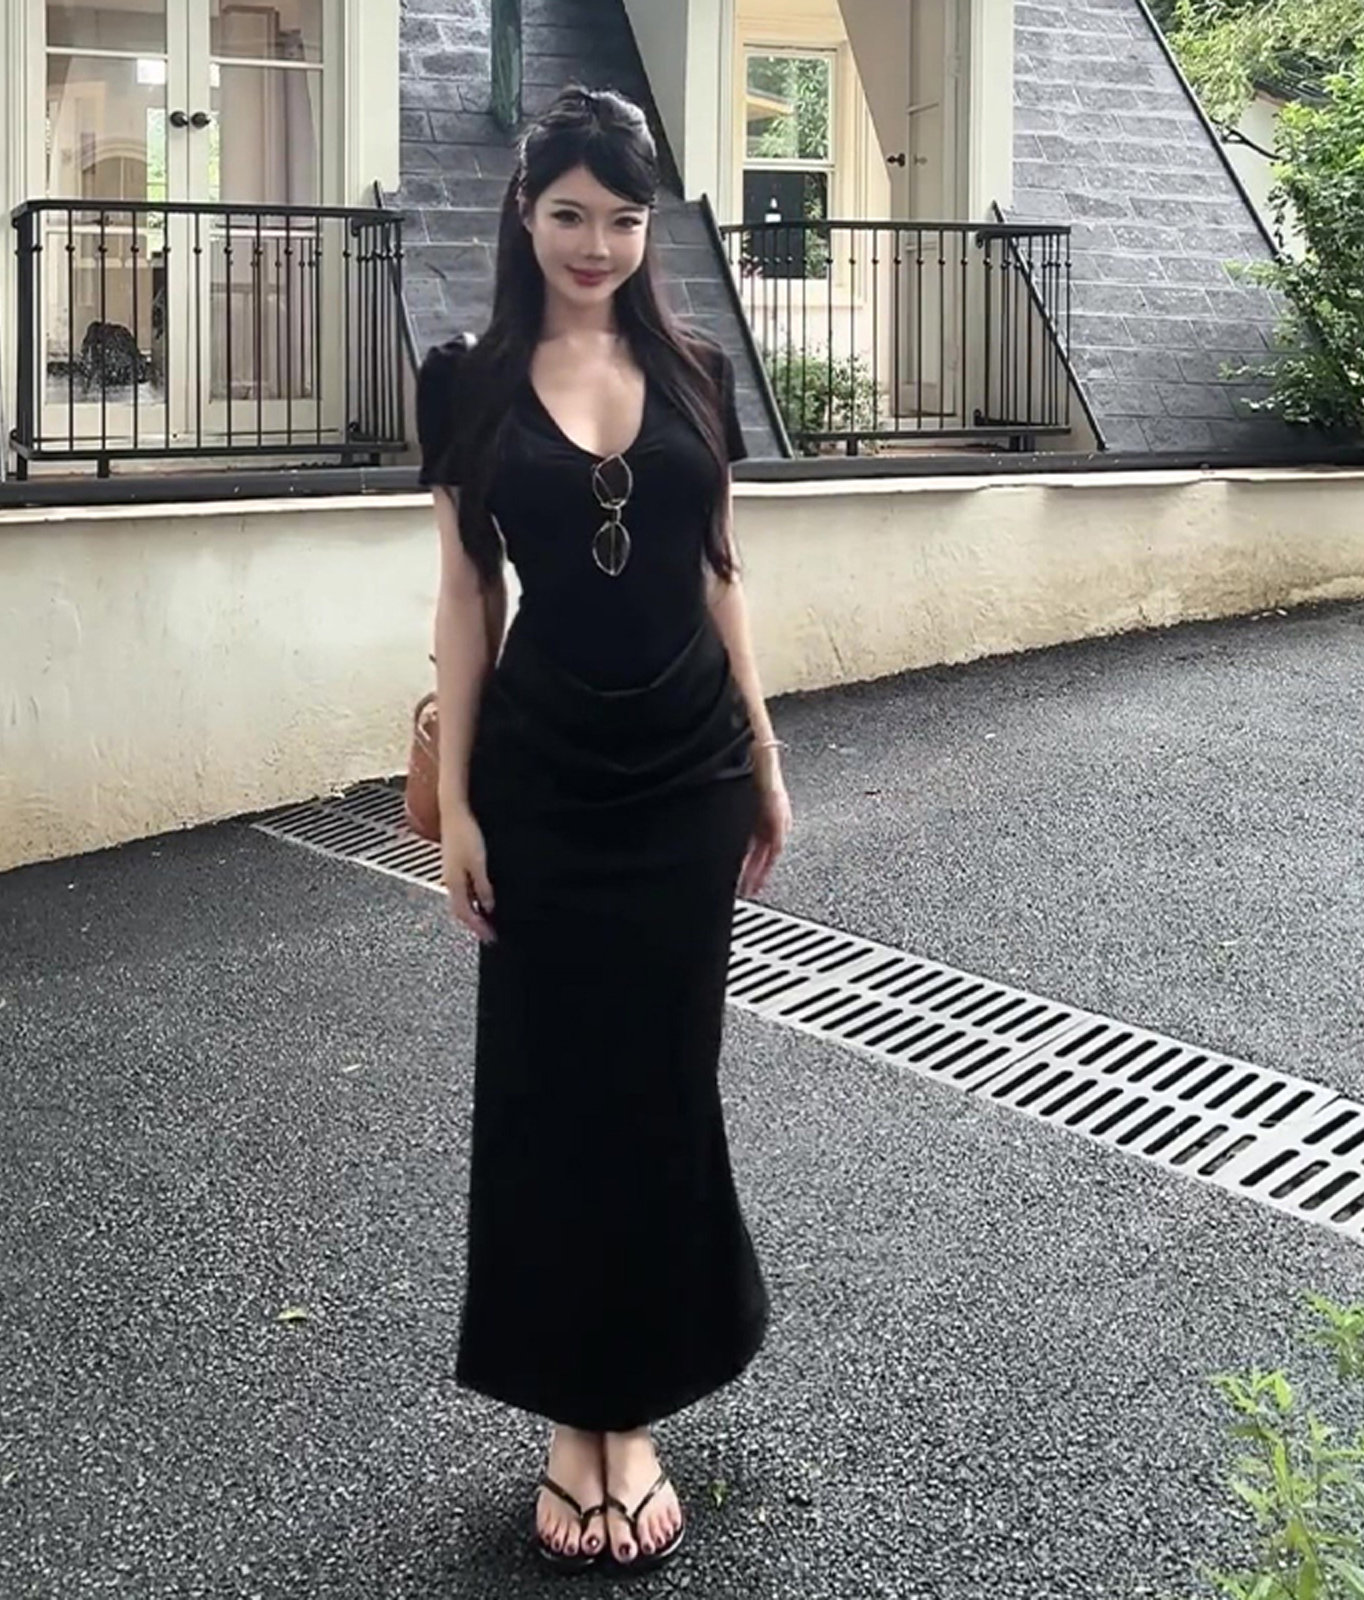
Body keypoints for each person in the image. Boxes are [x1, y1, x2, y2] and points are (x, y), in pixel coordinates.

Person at [415, 84, 792, 1576]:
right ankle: (572, 1414)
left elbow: (718, 571)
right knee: (550, 1091)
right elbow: (466, 595)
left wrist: (765, 757)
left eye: (625, 220)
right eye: (570, 213)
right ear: (525, 213)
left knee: (661, 1089)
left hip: (688, 775)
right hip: (545, 777)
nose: (597, 244)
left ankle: (629, 1416)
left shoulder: (695, 368)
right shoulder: (466, 381)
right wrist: (455, 803)